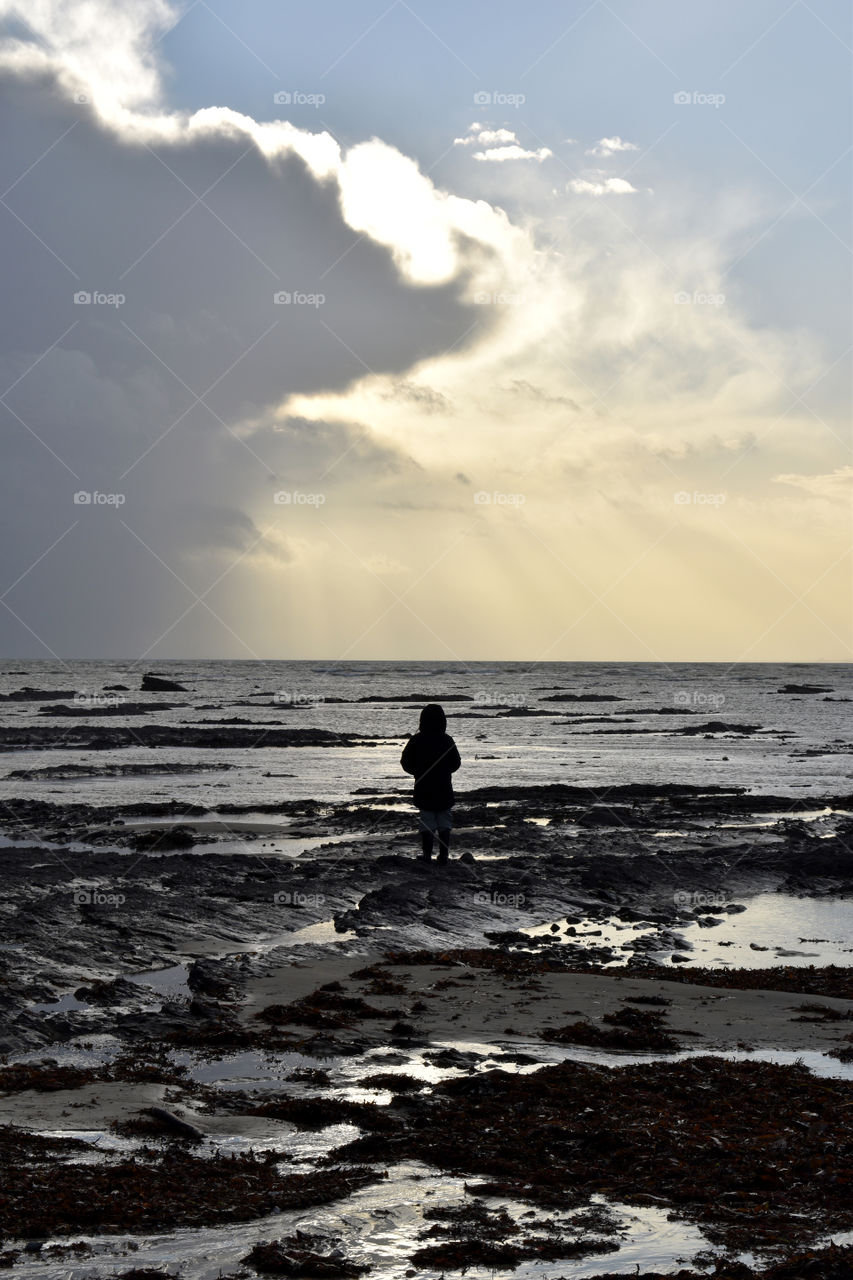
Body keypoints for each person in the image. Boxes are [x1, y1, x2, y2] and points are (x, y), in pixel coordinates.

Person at [400, 703, 461, 864]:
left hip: (424, 788)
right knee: (444, 822)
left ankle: (427, 855)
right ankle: (443, 855)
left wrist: (417, 773)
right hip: (444, 788)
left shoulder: (416, 740)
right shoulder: (447, 740)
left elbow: (405, 762)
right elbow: (456, 763)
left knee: (427, 821)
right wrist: (445, 772)